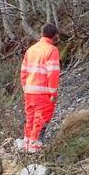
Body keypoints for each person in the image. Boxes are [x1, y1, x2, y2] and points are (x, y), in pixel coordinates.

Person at [19, 23, 61, 153]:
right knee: (41, 119)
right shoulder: (51, 50)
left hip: (29, 92)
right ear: (55, 36)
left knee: (30, 118)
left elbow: (23, 72)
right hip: (43, 93)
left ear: (42, 34)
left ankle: (26, 146)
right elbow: (53, 73)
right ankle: (35, 149)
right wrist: (53, 93)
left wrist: (25, 88)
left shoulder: (31, 50)